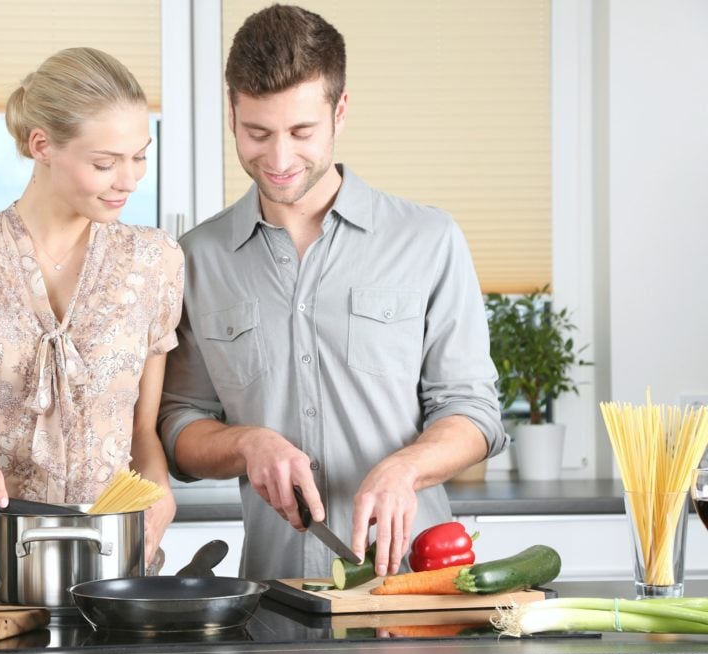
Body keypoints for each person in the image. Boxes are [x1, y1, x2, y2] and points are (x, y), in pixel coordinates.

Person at [158, 4, 507, 582]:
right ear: (231, 115)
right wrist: (247, 443)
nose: (278, 159)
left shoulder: (427, 239)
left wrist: (407, 468)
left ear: (340, 111)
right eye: (257, 133)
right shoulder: (197, 258)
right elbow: (179, 423)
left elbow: (473, 411)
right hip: (273, 600)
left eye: (301, 132)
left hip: (417, 592)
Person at [0, 47, 183, 594]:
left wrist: (159, 489)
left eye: (140, 156)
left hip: (116, 576)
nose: (129, 180)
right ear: (41, 145)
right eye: (105, 162)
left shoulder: (156, 261)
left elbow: (143, 431)